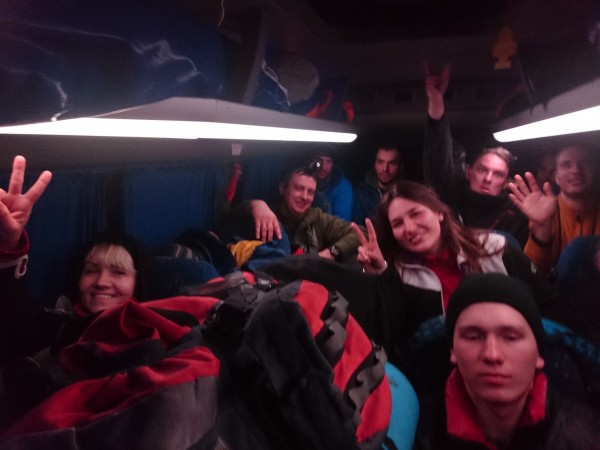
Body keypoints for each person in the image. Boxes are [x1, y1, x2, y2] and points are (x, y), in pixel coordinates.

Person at [349, 180, 555, 395]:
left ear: (439, 213)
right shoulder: (398, 277)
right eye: (398, 223)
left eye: (416, 214)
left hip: (519, 367)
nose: (409, 228)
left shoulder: (494, 249)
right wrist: (379, 276)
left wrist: (542, 230)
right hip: (445, 383)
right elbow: (393, 344)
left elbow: (546, 303)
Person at [413, 273, 600, 449]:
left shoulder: (588, 436)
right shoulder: (414, 432)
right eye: (473, 337)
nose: (492, 354)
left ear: (539, 355)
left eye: (510, 337)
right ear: (452, 350)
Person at [424, 65, 529, 247]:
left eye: (498, 174)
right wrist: (436, 100)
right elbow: (438, 159)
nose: (488, 179)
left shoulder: (514, 213)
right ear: (469, 172)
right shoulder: (451, 199)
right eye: (482, 170)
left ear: (506, 183)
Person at [224, 164, 361, 263]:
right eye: (299, 188)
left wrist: (331, 252)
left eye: (310, 192)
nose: (305, 197)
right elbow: (230, 222)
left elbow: (360, 232)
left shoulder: (319, 218)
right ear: (283, 188)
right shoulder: (265, 216)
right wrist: (254, 204)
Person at [508, 143, 600, 276]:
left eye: (585, 163)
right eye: (566, 165)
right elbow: (532, 273)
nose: (576, 170)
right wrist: (542, 231)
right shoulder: (544, 210)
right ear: (556, 176)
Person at [352, 145, 404, 225]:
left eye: (392, 163)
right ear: (374, 164)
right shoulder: (361, 192)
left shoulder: (407, 192)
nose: (385, 169)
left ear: (400, 166)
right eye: (380, 162)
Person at [310, 145, 354, 221]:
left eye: (328, 161)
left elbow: (341, 221)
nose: (323, 167)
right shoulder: (304, 180)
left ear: (333, 164)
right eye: (319, 160)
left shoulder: (343, 187)